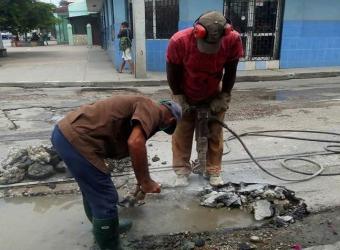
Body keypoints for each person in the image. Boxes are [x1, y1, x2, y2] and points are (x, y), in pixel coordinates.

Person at [51, 95, 182, 250]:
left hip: (66, 135)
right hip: (76, 140)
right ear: (171, 120)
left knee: (92, 189)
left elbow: (130, 142)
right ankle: (109, 244)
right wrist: (146, 182)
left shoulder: (144, 108)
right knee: (105, 196)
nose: (164, 129)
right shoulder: (152, 109)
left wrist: (141, 179)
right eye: (168, 127)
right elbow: (135, 142)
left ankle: (108, 227)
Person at [166, 11, 244, 187]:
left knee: (215, 132)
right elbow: (172, 72)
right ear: (198, 31)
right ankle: (181, 171)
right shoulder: (179, 41)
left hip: (213, 91)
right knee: (182, 132)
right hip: (185, 90)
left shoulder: (232, 39)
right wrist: (178, 96)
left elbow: (231, 71)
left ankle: (213, 170)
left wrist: (225, 94)